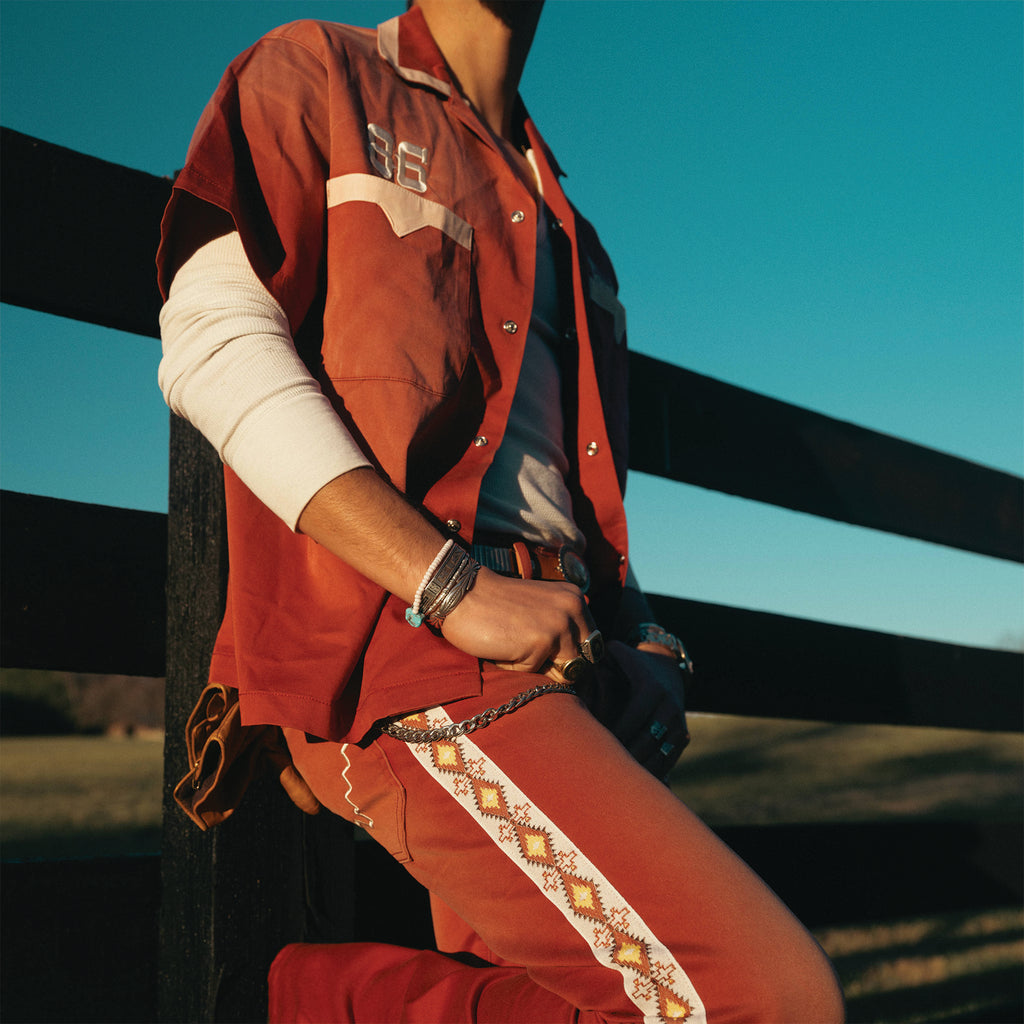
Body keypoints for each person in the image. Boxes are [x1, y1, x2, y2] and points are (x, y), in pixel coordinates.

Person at [157, 2, 845, 1020]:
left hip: (566, 655)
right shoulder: (319, 71)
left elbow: (569, 483)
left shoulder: (571, 227)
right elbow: (211, 340)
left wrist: (643, 632)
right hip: (400, 645)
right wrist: (450, 584)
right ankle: (309, 1001)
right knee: (767, 999)